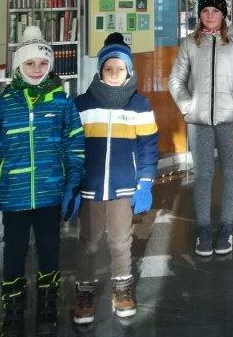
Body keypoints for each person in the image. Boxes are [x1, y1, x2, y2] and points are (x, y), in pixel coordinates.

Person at [0, 25, 85, 336]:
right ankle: (13, 311)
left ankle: (48, 306)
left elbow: (74, 146)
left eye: (43, 63)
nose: (37, 69)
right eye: (30, 63)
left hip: (51, 193)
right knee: (14, 251)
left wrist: (73, 185)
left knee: (50, 249)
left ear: (50, 66)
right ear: (18, 66)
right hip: (14, 196)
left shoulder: (63, 104)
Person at [168, 0, 233, 256]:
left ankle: (226, 227)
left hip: (229, 119)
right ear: (200, 13)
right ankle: (203, 229)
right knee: (203, 174)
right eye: (205, 10)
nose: (210, 15)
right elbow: (175, 80)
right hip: (198, 121)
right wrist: (187, 105)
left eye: (215, 10)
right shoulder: (190, 43)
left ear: (223, 13)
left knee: (231, 172)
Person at [72, 33, 158, 324]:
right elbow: (72, 147)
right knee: (88, 241)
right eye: (108, 68)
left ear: (129, 71)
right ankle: (85, 291)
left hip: (123, 187)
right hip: (91, 188)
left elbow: (148, 145)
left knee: (121, 241)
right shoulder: (82, 105)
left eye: (119, 69)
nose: (113, 73)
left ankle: (122, 288)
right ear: (100, 70)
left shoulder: (139, 105)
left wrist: (145, 182)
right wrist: (72, 184)